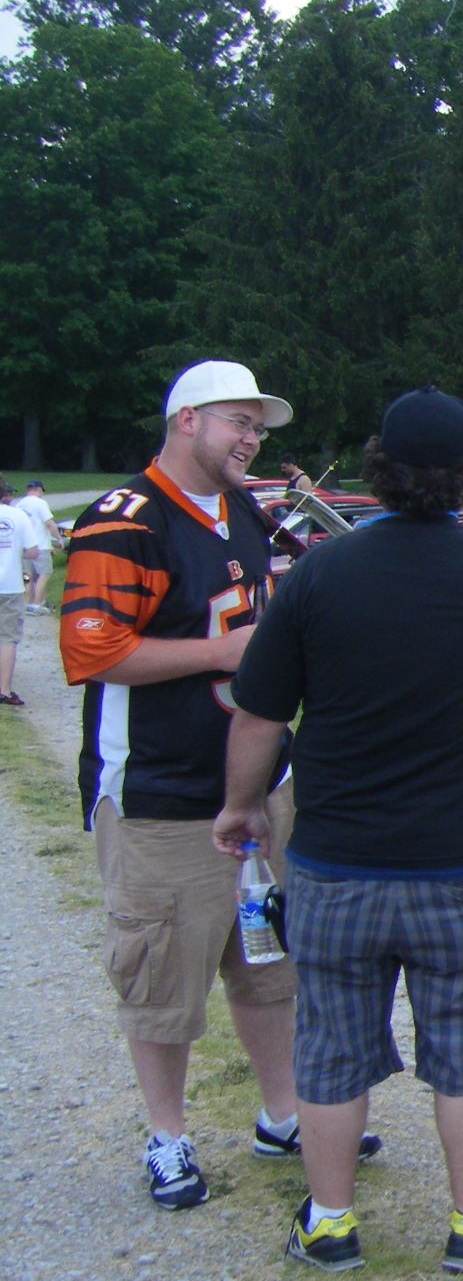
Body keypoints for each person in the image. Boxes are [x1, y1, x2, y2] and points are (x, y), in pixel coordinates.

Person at [213, 386, 463, 1274]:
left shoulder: (320, 574)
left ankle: (329, 1223)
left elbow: (259, 713)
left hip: (337, 862)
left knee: (329, 1046)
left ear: (378, 468)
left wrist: (242, 806)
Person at [60, 360, 360, 1212]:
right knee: (162, 973)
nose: (252, 438)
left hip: (260, 781)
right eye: (239, 421)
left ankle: (282, 1115)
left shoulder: (243, 509)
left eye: (259, 426)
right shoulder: (126, 520)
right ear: (186, 420)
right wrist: (219, 653)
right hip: (161, 790)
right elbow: (89, 651)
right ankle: (167, 1135)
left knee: (269, 963)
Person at [0, 479, 41, 706]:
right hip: (9, 585)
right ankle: (4, 689)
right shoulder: (18, 516)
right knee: (7, 638)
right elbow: (33, 552)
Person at [17, 478, 60, 614]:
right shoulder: (40, 503)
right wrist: (58, 539)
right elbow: (49, 523)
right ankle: (37, 605)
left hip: (25, 547)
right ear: (38, 489)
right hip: (40, 546)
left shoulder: (19, 504)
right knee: (44, 574)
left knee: (28, 576)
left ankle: (27, 603)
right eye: (42, 491)